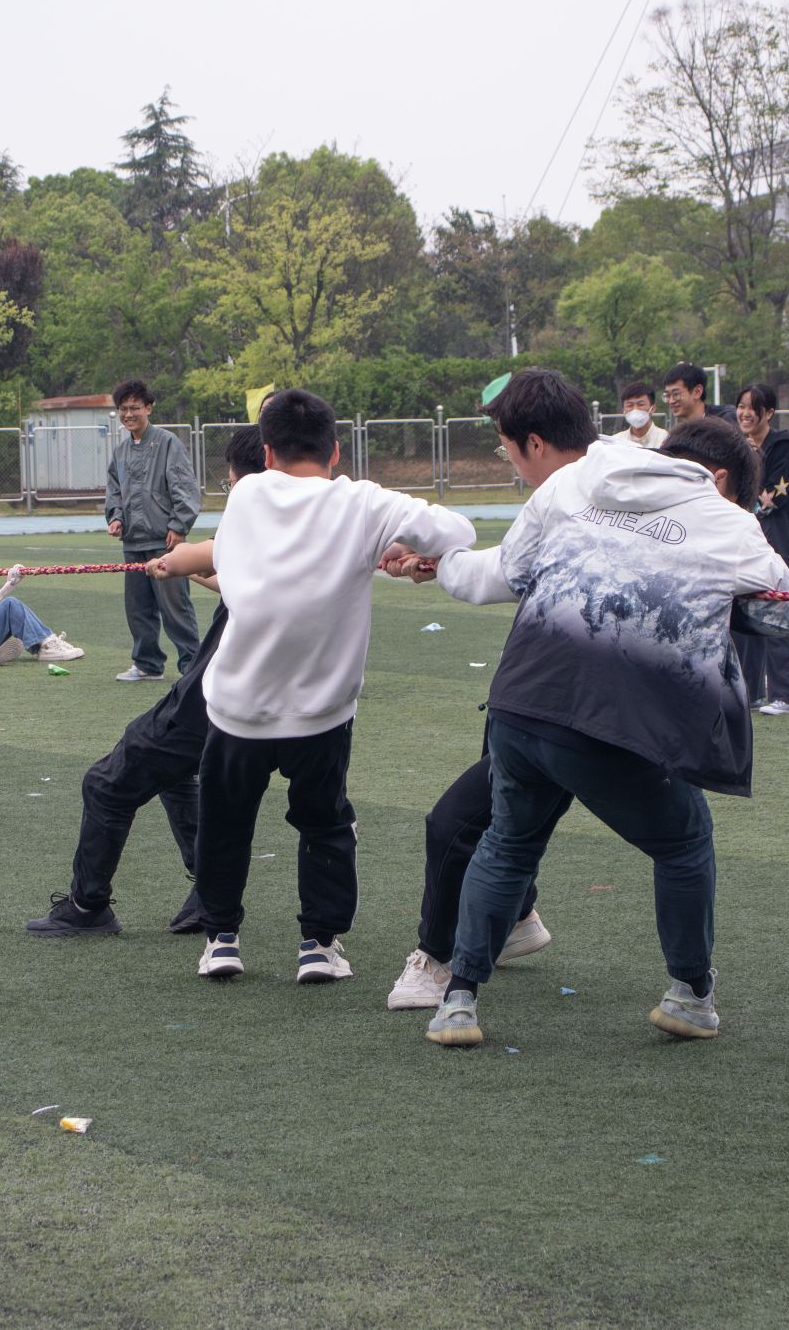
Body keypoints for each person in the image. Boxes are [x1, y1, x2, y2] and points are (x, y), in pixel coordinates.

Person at [396, 396, 789, 1049]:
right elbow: (785, 612)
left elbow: (501, 573)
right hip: (614, 717)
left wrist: (437, 564)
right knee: (685, 841)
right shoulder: (726, 519)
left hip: (521, 699)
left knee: (507, 842)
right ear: (723, 479)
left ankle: (459, 1001)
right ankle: (691, 994)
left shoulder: (579, 481)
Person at [149, 388, 476, 984]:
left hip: (238, 707)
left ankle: (221, 939)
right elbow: (458, 529)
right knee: (324, 822)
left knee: (225, 823)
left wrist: (382, 550)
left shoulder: (247, 495)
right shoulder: (363, 502)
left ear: (266, 452)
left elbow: (240, 560)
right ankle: (319, 946)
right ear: (336, 451)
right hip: (321, 712)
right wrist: (401, 550)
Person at [379, 381, 597, 1011]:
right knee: (509, 810)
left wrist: (441, 560)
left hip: (575, 709)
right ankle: (520, 917)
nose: (509, 462)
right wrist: (439, 562)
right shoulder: (610, 475)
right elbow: (513, 567)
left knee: (454, 824)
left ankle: (438, 960)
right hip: (556, 693)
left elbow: (494, 575)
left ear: (535, 442)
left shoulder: (569, 491)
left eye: (506, 449)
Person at [25, 427, 269, 938]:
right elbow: (235, 578)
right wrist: (178, 568)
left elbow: (217, 554)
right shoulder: (305, 531)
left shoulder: (256, 514)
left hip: (212, 699)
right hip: (256, 701)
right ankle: (211, 891)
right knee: (174, 775)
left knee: (105, 783)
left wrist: (174, 560)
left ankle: (88, 906)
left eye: (230, 481)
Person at [105, 379, 201, 681]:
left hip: (165, 540)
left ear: (149, 408)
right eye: (123, 409)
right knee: (138, 608)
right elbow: (114, 490)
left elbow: (184, 485)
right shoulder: (120, 451)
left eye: (135, 408)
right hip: (132, 542)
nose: (128, 414)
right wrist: (116, 517)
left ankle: (192, 666)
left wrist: (179, 524)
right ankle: (147, 664)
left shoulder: (168, 443)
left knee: (175, 606)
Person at [732, 383, 789, 716]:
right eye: (741, 406)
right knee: (746, 611)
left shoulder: (784, 447)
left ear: (769, 413)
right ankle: (750, 692)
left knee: (780, 609)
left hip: (781, 539)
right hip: (750, 539)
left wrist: (753, 471)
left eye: (753, 407)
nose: (745, 413)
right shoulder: (740, 447)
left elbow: (771, 498)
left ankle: (788, 695)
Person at [661, 362, 734, 426]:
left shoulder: (725, 421)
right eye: (667, 395)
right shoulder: (679, 433)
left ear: (697, 392)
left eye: (676, 394)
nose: (671, 401)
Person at [615, 381, 666, 449]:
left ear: (653, 408)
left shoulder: (665, 439)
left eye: (640, 404)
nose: (635, 409)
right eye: (630, 405)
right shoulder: (616, 442)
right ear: (623, 410)